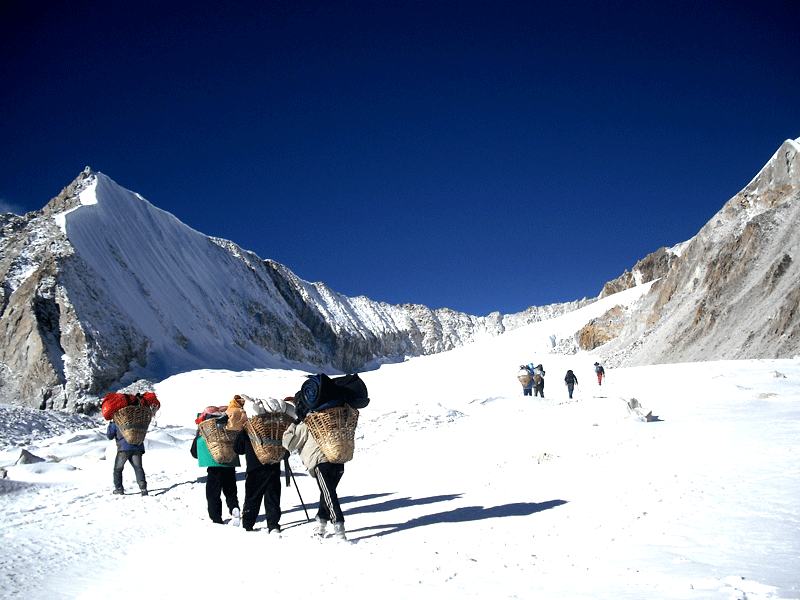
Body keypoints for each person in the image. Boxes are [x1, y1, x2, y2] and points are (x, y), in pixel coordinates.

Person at [283, 418, 347, 541]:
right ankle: (321, 524)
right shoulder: (332, 418)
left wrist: (292, 425)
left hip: (321, 461)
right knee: (327, 493)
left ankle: (339, 527)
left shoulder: (306, 423)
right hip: (339, 460)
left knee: (328, 495)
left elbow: (289, 444)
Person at [233, 426, 283, 533]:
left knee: (252, 498)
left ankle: (248, 524)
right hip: (273, 466)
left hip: (254, 468)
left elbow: (238, 449)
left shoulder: (248, 429)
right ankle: (273, 525)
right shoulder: (275, 427)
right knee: (272, 498)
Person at [190, 423, 241, 525]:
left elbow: (194, 453)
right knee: (230, 492)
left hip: (213, 468)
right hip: (229, 466)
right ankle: (234, 508)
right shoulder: (230, 429)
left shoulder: (205, 433)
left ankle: (216, 518)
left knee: (213, 493)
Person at [106, 421, 148, 496]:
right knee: (138, 468)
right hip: (137, 447)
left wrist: (110, 426)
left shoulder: (117, 421)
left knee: (118, 469)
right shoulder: (136, 419)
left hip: (124, 448)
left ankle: (119, 489)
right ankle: (143, 488)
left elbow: (110, 436)